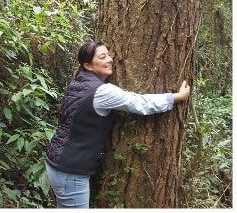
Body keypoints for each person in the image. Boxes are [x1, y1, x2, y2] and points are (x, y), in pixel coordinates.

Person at [45, 40, 191, 208]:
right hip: (70, 172)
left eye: (108, 54)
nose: (110, 59)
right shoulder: (102, 91)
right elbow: (140, 102)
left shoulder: (77, 82)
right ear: (88, 65)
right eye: (103, 57)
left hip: (56, 163)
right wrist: (175, 97)